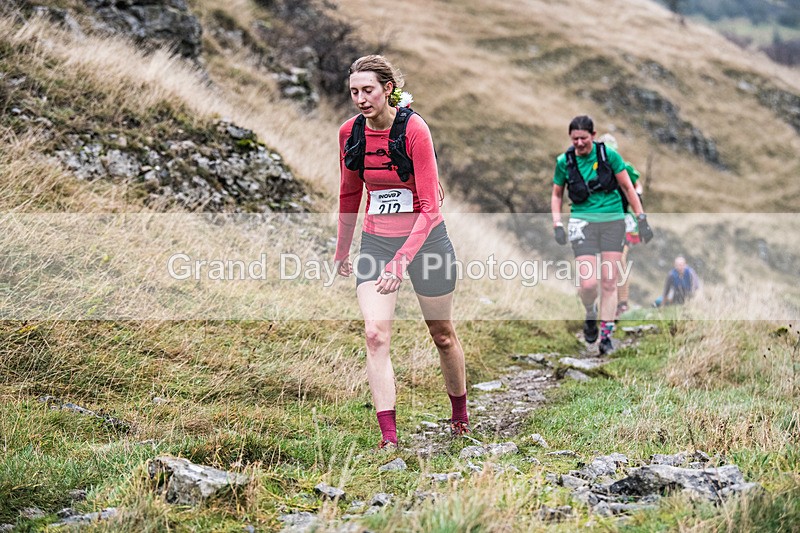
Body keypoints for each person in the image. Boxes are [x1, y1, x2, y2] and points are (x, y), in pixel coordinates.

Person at [334, 55, 469, 450]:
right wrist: (343, 250)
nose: (360, 99)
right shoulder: (349, 133)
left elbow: (430, 209)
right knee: (375, 334)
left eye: (368, 90)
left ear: (388, 89)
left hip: (426, 242)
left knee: (442, 334)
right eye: (354, 92)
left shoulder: (414, 129)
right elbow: (349, 193)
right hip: (377, 242)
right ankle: (389, 438)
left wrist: (401, 261)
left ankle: (459, 416)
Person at [551, 116, 653, 355]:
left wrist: (641, 218)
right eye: (574, 139)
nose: (579, 143)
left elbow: (628, 188)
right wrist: (557, 223)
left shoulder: (609, 156)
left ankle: (606, 337)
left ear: (593, 136)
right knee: (588, 284)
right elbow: (557, 194)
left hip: (613, 222)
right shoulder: (564, 162)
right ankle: (590, 311)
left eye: (583, 138)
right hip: (582, 223)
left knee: (609, 281)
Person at [596, 133, 644, 318]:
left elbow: (638, 185)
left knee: (620, 260)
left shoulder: (624, 167)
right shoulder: (592, 169)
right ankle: (608, 301)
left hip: (624, 221)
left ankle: (622, 302)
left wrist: (636, 195)